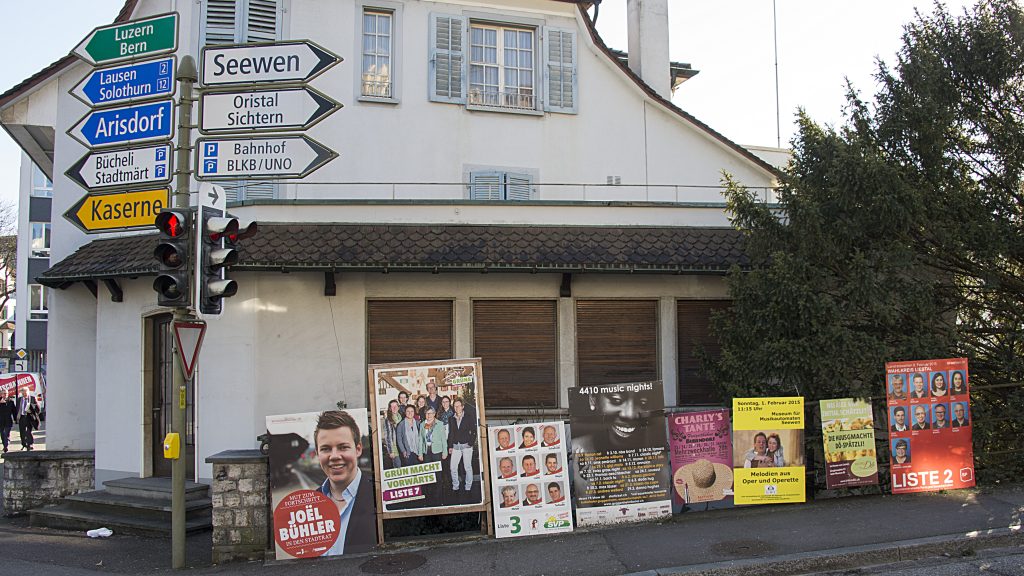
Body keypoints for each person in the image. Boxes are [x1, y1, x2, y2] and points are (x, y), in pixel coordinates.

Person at [314, 410, 376, 555]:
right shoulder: (310, 503)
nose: (334, 456)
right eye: (326, 449)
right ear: (317, 454)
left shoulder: (377, 494)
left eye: (343, 447)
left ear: (358, 449)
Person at [572, 386, 663, 453]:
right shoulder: (576, 450)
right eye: (616, 400)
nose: (630, 414)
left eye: (643, 402)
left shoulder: (661, 459)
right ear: (593, 400)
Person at [447, 397, 477, 495]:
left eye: (459, 406)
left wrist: (470, 443)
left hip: (466, 446)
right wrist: (450, 446)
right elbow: (451, 433)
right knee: (453, 467)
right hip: (456, 446)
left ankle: (468, 487)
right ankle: (455, 486)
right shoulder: (451, 418)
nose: (457, 408)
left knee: (467, 467)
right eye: (455, 406)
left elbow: (474, 431)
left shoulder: (468, 417)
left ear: (462, 407)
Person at [418, 408, 447, 505]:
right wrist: (420, 453)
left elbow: (443, 438)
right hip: (427, 452)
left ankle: (438, 497)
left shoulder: (439, 424)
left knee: (438, 475)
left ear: (434, 414)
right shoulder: (422, 424)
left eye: (430, 413)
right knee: (428, 475)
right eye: (427, 413)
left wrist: (445, 451)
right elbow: (420, 440)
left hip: (437, 451)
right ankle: (428, 497)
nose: (429, 415)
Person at [380, 400, 403, 469]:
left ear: (398, 407)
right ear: (390, 408)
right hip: (394, 447)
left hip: (402, 445)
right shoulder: (388, 420)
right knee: (398, 466)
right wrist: (390, 451)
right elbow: (388, 436)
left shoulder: (401, 417)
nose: (394, 408)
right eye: (392, 406)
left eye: (396, 406)